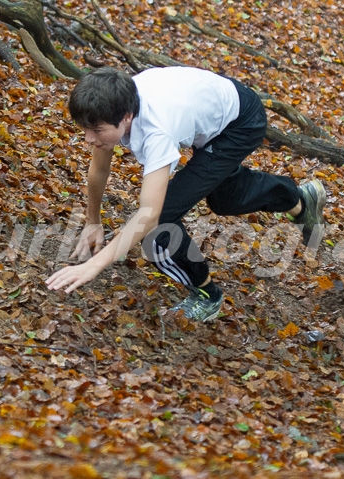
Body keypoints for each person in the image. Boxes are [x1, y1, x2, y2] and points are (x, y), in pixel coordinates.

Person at [46, 66, 326, 322]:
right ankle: (301, 201)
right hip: (215, 106)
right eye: (84, 130)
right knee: (224, 197)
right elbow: (99, 168)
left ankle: (207, 295)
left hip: (240, 122)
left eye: (96, 131)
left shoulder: (156, 132)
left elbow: (149, 216)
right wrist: (92, 220)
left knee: (162, 226)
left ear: (127, 117)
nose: (89, 139)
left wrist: (94, 265)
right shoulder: (111, 104)